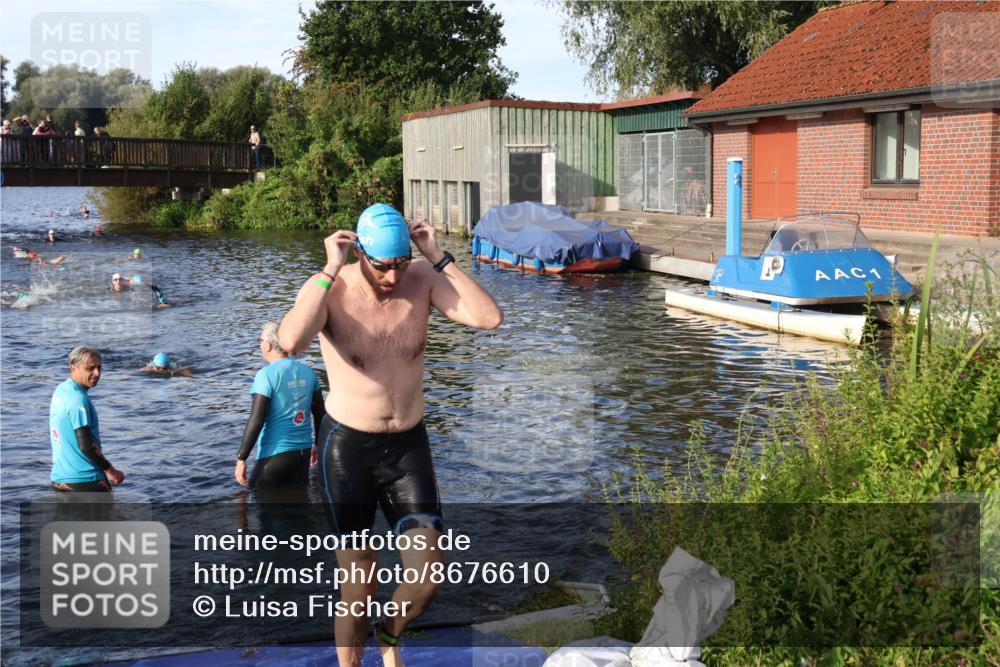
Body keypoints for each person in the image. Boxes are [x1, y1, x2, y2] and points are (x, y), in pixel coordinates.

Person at [278, 203, 503, 666]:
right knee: (359, 584)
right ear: (359, 252)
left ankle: (390, 633)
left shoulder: (422, 277)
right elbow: (291, 342)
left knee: (429, 575)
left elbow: (488, 318)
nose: (393, 277)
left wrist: (438, 257)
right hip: (348, 449)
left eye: (401, 264)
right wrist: (328, 267)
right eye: (383, 266)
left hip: (407, 446)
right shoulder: (332, 289)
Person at [234, 321, 324, 492]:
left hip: (275, 455)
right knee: (298, 508)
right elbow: (320, 414)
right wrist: (317, 446)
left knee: (260, 503)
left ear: (267, 345)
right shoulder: (308, 372)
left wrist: (241, 458)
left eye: (259, 341)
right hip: (303, 454)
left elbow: (257, 418)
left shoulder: (265, 375)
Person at [49, 347, 125, 493]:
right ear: (73, 368)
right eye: (90, 368)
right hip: (87, 481)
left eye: (99, 368)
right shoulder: (78, 400)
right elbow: (86, 445)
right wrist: (111, 471)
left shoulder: (61, 391)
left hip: (61, 480)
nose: (97, 374)